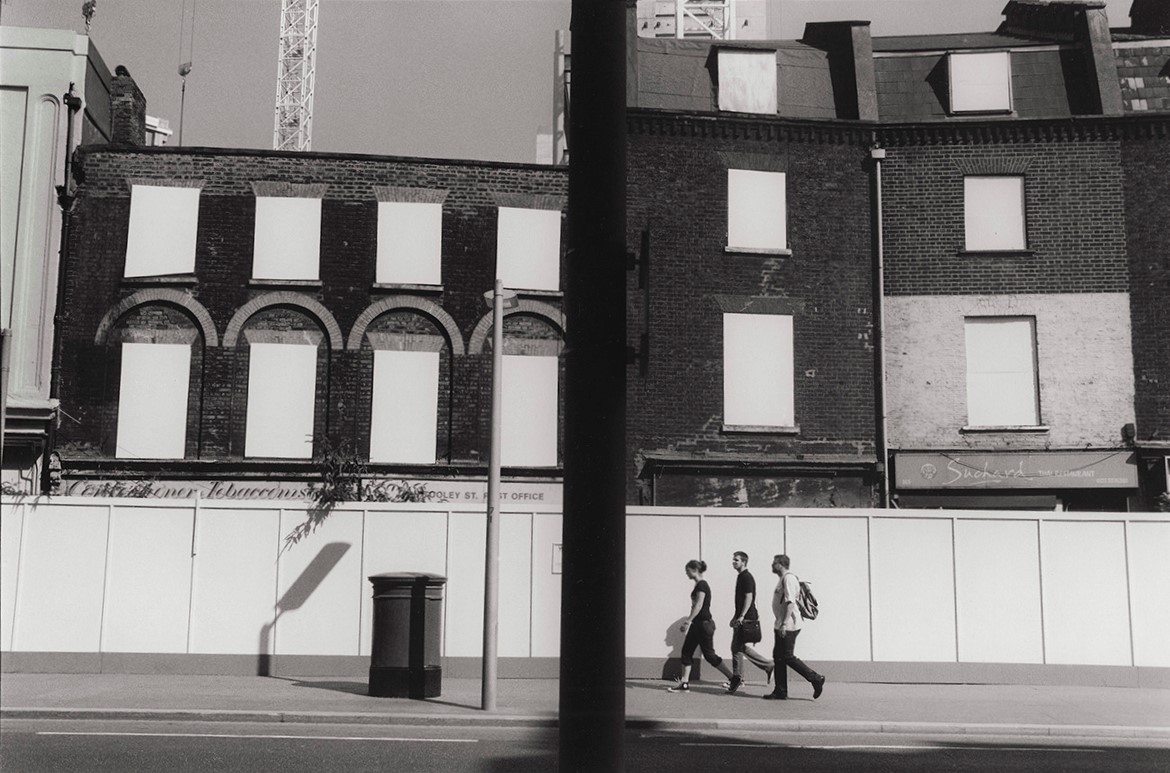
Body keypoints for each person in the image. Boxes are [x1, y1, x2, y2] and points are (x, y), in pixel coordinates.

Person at [764, 554, 826, 701]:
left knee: (787, 656)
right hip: (781, 624)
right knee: (779, 657)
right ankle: (780, 691)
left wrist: (785, 623)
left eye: (774, 563)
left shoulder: (788, 578)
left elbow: (790, 603)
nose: (772, 566)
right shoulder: (783, 579)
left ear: (781, 564)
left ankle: (816, 678)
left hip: (789, 625)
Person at [667, 559, 735, 692]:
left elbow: (699, 605)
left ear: (694, 570)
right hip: (698, 625)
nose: (686, 574)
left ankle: (733, 678)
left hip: (703, 625)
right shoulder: (699, 585)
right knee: (686, 652)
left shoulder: (702, 585)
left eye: (687, 571)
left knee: (709, 655)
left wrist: (688, 621)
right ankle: (684, 683)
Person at [725, 551, 774, 694]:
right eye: (733, 560)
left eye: (736, 560)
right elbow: (740, 601)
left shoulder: (746, 577)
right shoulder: (741, 576)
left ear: (744, 562)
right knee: (739, 647)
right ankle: (768, 665)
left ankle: (737, 678)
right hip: (743, 616)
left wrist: (741, 616)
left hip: (747, 617)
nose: (733, 562)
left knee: (736, 648)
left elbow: (749, 597)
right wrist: (735, 617)